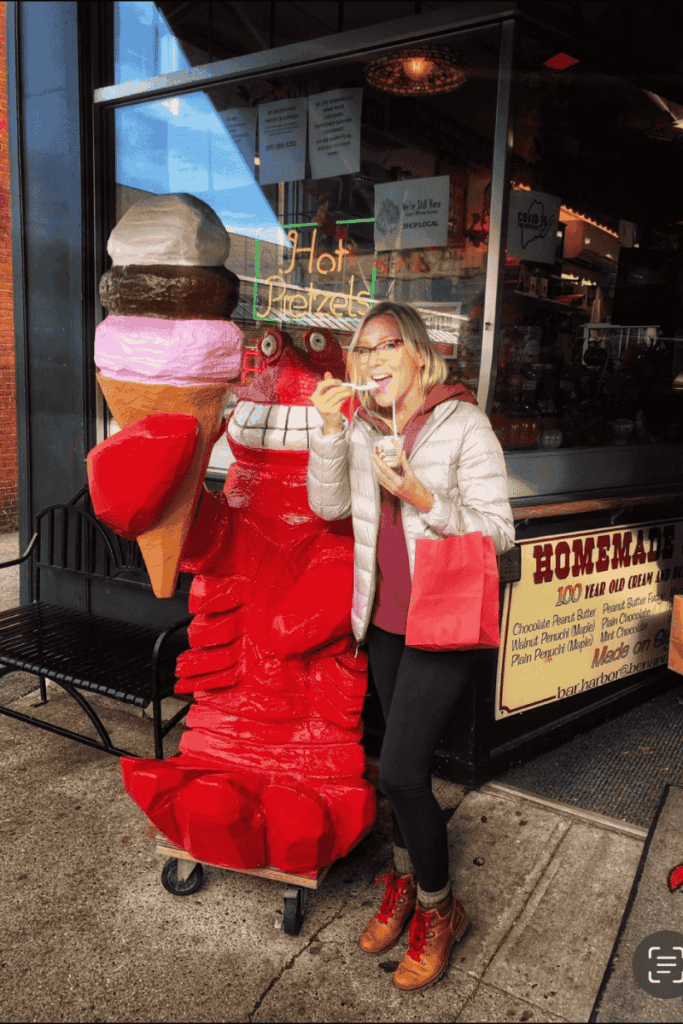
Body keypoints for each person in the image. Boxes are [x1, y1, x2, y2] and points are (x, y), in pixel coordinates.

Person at [307, 300, 515, 993]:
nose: (368, 360)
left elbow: (499, 532)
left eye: (383, 346)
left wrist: (425, 498)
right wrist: (328, 433)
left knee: (398, 773)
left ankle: (439, 907)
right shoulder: (364, 425)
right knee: (394, 768)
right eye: (359, 350)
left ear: (419, 356)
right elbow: (329, 507)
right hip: (386, 621)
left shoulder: (464, 424)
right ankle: (402, 879)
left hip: (442, 620)